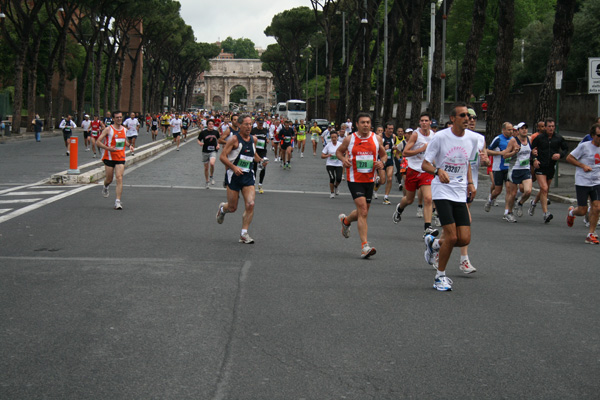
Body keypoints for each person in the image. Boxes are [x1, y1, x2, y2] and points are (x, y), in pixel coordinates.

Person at [422, 102, 481, 291]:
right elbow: (425, 164)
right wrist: (438, 171)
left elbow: (467, 163)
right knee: (452, 236)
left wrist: (470, 183)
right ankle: (439, 277)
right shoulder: (440, 137)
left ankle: (434, 244)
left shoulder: (472, 139)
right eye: (463, 116)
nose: (468, 119)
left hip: (460, 191)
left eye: (469, 116)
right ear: (453, 119)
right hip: (442, 190)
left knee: (464, 239)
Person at [336, 112, 387, 258]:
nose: (365, 125)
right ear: (357, 124)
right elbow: (339, 152)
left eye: (368, 122)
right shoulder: (349, 139)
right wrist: (343, 160)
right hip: (354, 179)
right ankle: (365, 246)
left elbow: (383, 155)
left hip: (370, 179)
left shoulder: (377, 139)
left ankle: (346, 221)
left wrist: (381, 162)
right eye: (362, 122)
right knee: (363, 210)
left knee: (362, 212)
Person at [215, 115, 268, 244]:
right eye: (246, 124)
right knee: (233, 208)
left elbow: (253, 155)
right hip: (234, 176)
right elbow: (222, 157)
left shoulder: (253, 139)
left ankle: (244, 234)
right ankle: (223, 209)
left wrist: (260, 161)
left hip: (248, 175)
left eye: (251, 124)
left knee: (250, 204)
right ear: (240, 125)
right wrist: (233, 167)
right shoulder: (234, 140)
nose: (249, 127)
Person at [392, 112, 438, 237]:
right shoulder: (415, 135)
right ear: (419, 122)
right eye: (422, 120)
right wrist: (422, 149)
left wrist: (437, 166)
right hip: (413, 170)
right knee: (409, 199)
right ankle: (399, 209)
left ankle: (427, 228)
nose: (424, 123)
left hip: (426, 171)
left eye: (426, 121)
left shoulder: (434, 136)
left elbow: (434, 154)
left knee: (428, 199)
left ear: (430, 123)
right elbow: (405, 153)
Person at [565, 123, 600, 244]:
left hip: (597, 181)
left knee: (597, 207)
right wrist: (582, 165)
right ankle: (571, 212)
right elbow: (569, 158)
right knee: (582, 210)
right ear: (593, 135)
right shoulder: (584, 146)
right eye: (599, 135)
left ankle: (591, 234)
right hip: (582, 181)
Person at [529, 118, 569, 223]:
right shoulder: (539, 138)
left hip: (551, 167)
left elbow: (566, 149)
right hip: (540, 166)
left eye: (553, 126)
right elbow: (531, 151)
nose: (551, 128)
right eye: (549, 126)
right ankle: (545, 213)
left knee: (545, 190)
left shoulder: (558, 138)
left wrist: (560, 155)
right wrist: (535, 160)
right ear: (545, 127)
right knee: (544, 188)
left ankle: (533, 202)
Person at [95, 111, 134, 210]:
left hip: (120, 156)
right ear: (113, 119)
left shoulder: (124, 130)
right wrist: (108, 148)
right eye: (117, 117)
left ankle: (117, 202)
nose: (119, 119)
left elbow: (123, 140)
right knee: (109, 179)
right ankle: (106, 186)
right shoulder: (108, 129)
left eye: (120, 117)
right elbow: (98, 142)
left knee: (119, 177)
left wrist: (129, 146)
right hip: (109, 157)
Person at [485, 122, 519, 221]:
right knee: (498, 190)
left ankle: (506, 212)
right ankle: (491, 199)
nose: (511, 131)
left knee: (509, 189)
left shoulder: (513, 140)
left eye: (512, 130)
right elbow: (487, 151)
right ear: (503, 130)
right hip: (498, 168)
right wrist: (500, 153)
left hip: (509, 168)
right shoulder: (498, 139)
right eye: (509, 130)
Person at [505, 122, 533, 218]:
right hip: (514, 169)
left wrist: (535, 155)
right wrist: (514, 152)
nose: (524, 130)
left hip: (526, 169)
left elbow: (531, 152)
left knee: (528, 191)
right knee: (512, 193)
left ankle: (520, 203)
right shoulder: (513, 141)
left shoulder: (530, 139)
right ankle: (509, 213)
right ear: (518, 130)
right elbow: (505, 155)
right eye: (522, 128)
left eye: (526, 128)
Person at [197, 119, 220, 188]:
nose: (211, 125)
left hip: (213, 150)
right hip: (205, 151)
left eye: (212, 124)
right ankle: (207, 181)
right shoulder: (203, 133)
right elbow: (198, 139)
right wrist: (200, 143)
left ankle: (211, 176)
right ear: (207, 125)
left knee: (212, 163)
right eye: (209, 124)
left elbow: (218, 139)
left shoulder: (216, 132)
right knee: (206, 167)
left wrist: (218, 145)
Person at [322, 130, 343, 198]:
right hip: (330, 164)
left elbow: (346, 152)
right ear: (330, 138)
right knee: (332, 178)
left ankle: (336, 186)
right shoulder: (328, 145)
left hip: (339, 164)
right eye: (332, 137)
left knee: (339, 178)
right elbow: (322, 155)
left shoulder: (340, 145)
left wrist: (344, 157)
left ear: (337, 137)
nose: (334, 139)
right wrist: (328, 155)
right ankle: (332, 192)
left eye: (335, 137)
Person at [251, 117, 269, 193]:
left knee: (263, 166)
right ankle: (253, 185)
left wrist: (267, 139)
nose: (261, 124)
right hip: (255, 151)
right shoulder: (253, 130)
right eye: (259, 123)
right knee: (254, 169)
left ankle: (260, 184)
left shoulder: (265, 130)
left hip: (263, 151)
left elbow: (267, 137)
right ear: (257, 122)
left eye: (262, 123)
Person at [381, 122, 396, 204]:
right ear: (385, 129)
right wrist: (383, 147)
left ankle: (386, 197)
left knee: (390, 178)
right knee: (382, 180)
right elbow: (376, 148)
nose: (391, 130)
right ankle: (376, 186)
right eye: (389, 129)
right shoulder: (380, 136)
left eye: (392, 129)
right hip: (382, 160)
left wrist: (394, 148)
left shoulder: (393, 137)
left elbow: (393, 147)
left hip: (389, 160)